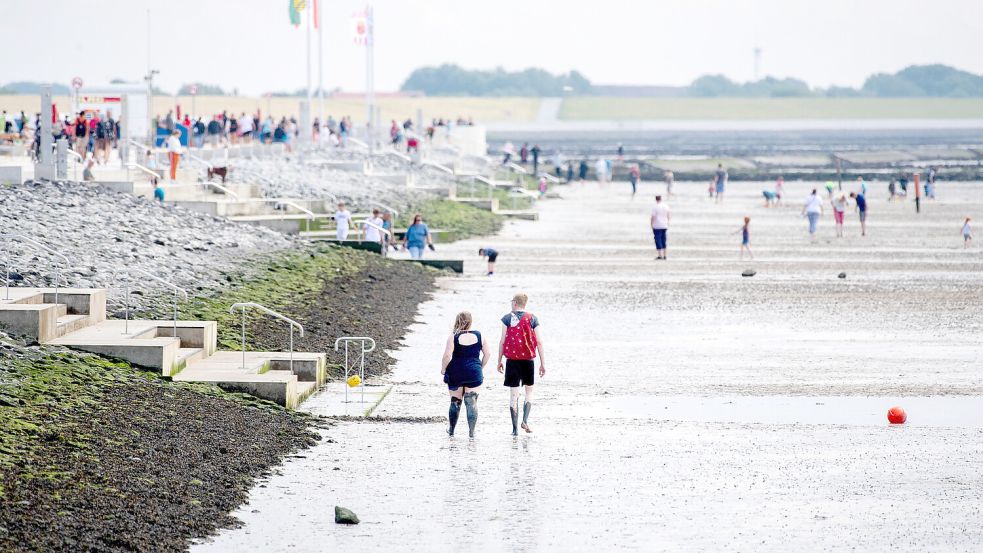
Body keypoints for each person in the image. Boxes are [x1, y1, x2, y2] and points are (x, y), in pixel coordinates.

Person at [496, 293, 545, 435]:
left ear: (515, 303)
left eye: (512, 301)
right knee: (529, 392)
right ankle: (525, 420)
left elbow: (502, 341)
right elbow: (540, 342)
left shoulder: (507, 318)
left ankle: (515, 429)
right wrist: (542, 363)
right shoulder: (533, 318)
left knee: (514, 395)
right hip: (528, 361)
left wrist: (499, 361)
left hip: (512, 361)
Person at [441, 311, 491, 437]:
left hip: (456, 372)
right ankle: (471, 433)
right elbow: (488, 354)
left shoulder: (453, 336)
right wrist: (480, 367)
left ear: (457, 321)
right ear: (471, 321)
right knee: (471, 401)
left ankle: (451, 430)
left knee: (455, 401)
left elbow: (447, 355)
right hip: (474, 372)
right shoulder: (480, 336)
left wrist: (443, 369)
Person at [651, 195, 670, 260]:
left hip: (657, 225)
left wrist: (651, 224)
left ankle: (660, 255)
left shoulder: (655, 207)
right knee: (664, 240)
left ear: (656, 199)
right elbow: (668, 215)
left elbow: (653, 217)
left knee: (658, 240)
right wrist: (667, 223)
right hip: (664, 225)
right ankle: (665, 255)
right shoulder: (666, 206)